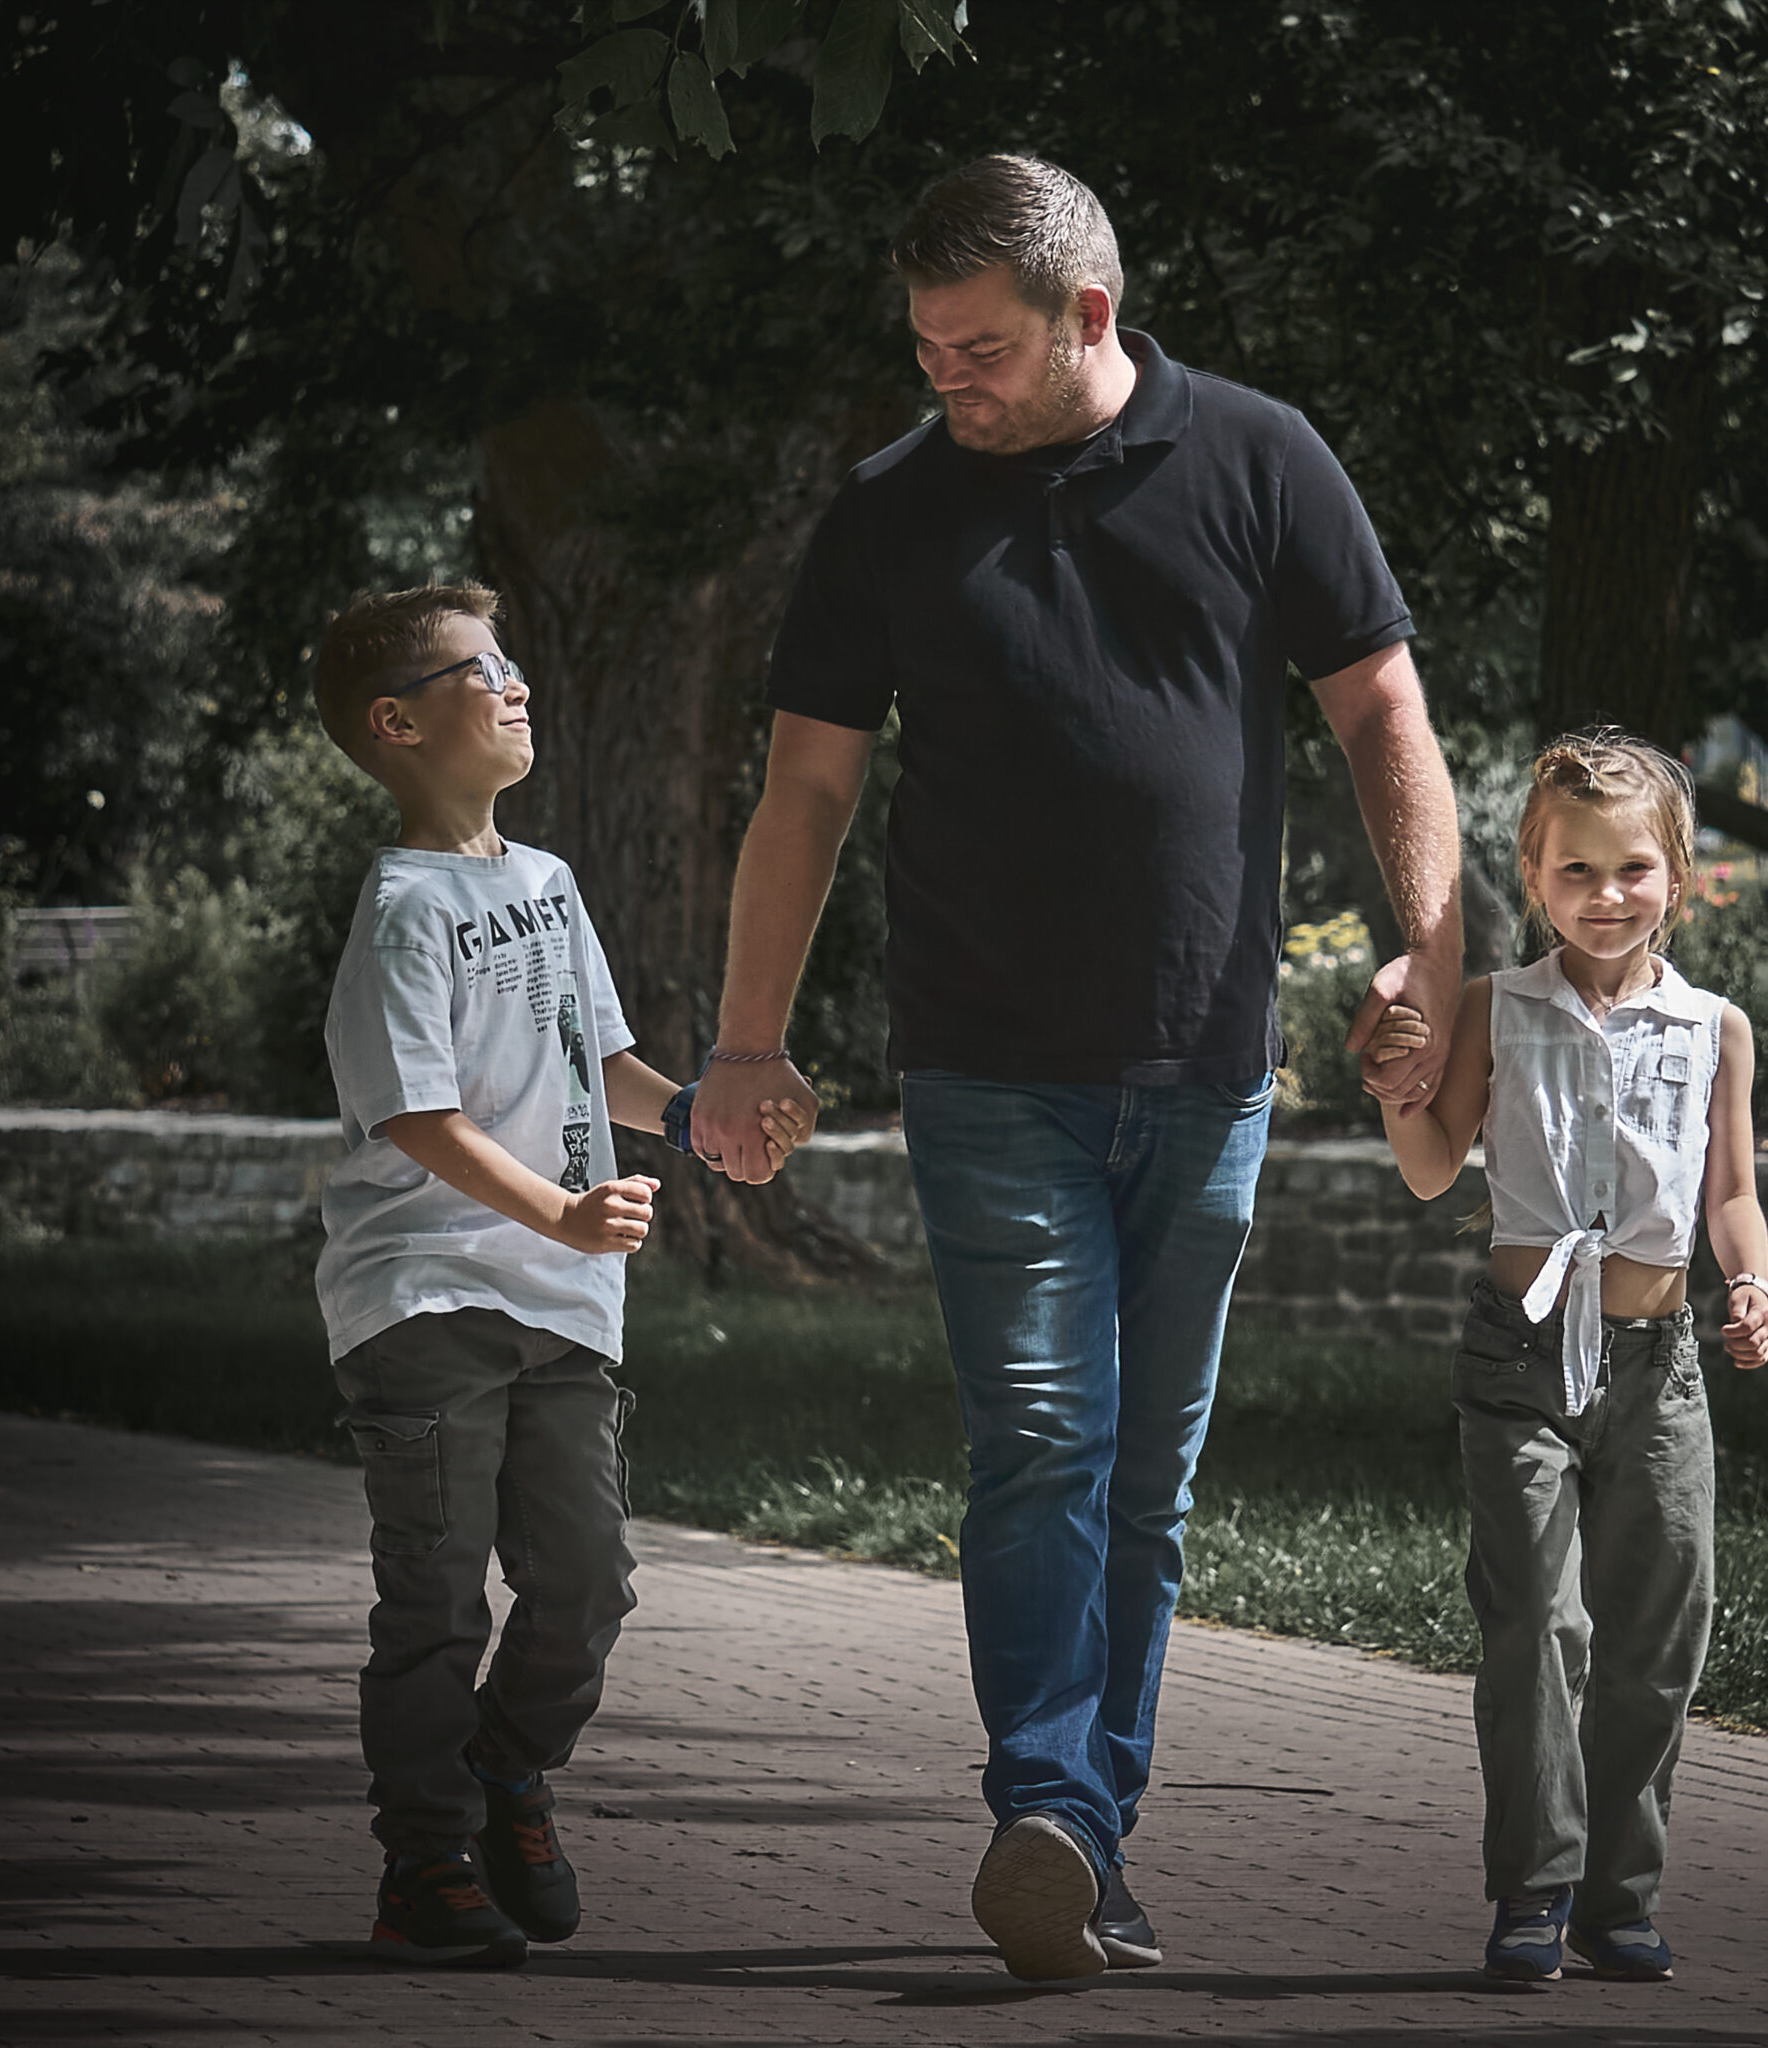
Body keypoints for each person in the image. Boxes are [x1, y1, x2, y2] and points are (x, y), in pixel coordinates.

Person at [688, 155, 1465, 1981]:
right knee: (1042, 1435)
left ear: (1089, 316)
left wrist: (1430, 951)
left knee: (1146, 1478)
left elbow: (1384, 712)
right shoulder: (888, 510)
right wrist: (744, 1034)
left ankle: (1089, 1840)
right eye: (927, 349)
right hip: (986, 1065)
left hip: (1209, 1057)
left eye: (978, 350)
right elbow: (806, 786)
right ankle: (1043, 1795)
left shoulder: (1262, 461)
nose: (944, 380)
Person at [309, 581, 805, 1967]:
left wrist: (709, 1109)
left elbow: (600, 1060)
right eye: (485, 670)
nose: (519, 684)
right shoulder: (404, 905)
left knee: (587, 1584)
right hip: (423, 1299)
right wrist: (562, 1213)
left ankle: (505, 1774)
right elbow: (417, 1115)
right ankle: (423, 1867)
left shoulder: (548, 884)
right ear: (398, 723)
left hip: (562, 1309)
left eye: (517, 662)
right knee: (437, 1598)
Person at [1366, 727, 1768, 1986]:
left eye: (1632, 869)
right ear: (1533, 877)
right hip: (1519, 1357)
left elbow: (1732, 1195)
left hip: (1659, 1363)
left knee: (1660, 1626)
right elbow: (1438, 1169)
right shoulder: (1499, 1006)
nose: (1606, 896)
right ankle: (1534, 1886)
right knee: (1537, 1619)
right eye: (1576, 872)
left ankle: (1618, 1892)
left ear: (1678, 872)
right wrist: (1396, 1090)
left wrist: (1752, 1277)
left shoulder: (1716, 1026)